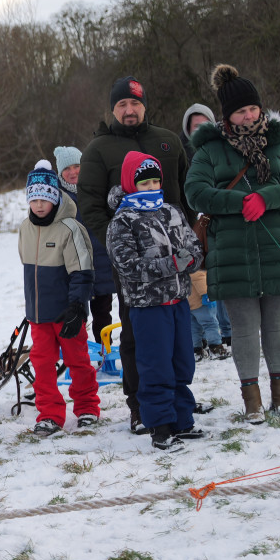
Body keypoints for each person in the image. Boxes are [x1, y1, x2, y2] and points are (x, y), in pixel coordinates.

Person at [185, 64, 280, 423]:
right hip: (232, 251)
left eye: (253, 108)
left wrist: (267, 198)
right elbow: (195, 192)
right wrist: (238, 203)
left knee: (276, 325)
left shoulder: (279, 142)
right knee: (243, 327)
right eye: (241, 111)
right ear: (227, 116)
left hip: (276, 246)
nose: (249, 115)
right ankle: (251, 399)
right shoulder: (210, 150)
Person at [77, 76, 192, 436]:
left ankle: (176, 405)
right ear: (113, 109)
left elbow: (185, 196)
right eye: (122, 104)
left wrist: (188, 241)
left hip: (174, 265)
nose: (130, 110)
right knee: (135, 335)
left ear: (145, 106)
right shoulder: (98, 149)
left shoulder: (169, 141)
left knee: (175, 337)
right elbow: (91, 205)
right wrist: (117, 244)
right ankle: (139, 406)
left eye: (135, 104)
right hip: (134, 267)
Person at [106, 153, 204, 451]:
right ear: (130, 184)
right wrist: (172, 264)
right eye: (144, 182)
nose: (151, 186)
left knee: (182, 363)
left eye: (155, 180)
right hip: (148, 307)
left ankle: (182, 419)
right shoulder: (123, 221)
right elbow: (129, 267)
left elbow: (194, 246)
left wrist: (191, 260)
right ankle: (160, 426)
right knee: (156, 367)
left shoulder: (172, 212)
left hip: (178, 301)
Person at [18, 161, 100, 437]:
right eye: (34, 199)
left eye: (45, 199)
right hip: (39, 315)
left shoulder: (70, 229)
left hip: (67, 311)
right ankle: (50, 414)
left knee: (78, 360)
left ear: (55, 198)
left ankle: (87, 407)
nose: (39, 205)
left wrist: (77, 306)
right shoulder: (24, 229)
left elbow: (82, 271)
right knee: (41, 365)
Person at [182, 102, 233, 351]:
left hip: (222, 223)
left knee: (222, 277)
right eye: (194, 126)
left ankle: (228, 330)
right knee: (200, 282)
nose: (199, 130)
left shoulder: (225, 151)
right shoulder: (183, 157)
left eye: (204, 124)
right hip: (195, 227)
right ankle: (200, 336)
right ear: (188, 130)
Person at [54, 145, 115, 342]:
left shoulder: (96, 188)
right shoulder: (58, 198)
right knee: (78, 312)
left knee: (103, 312)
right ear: (60, 172)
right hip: (74, 264)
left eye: (76, 166)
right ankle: (80, 354)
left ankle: (104, 347)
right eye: (66, 169)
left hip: (101, 260)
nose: (72, 172)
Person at [188, 270, 230, 361]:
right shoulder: (196, 267)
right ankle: (215, 347)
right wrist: (206, 294)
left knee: (194, 328)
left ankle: (196, 350)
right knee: (210, 324)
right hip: (201, 303)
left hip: (190, 303)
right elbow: (198, 277)